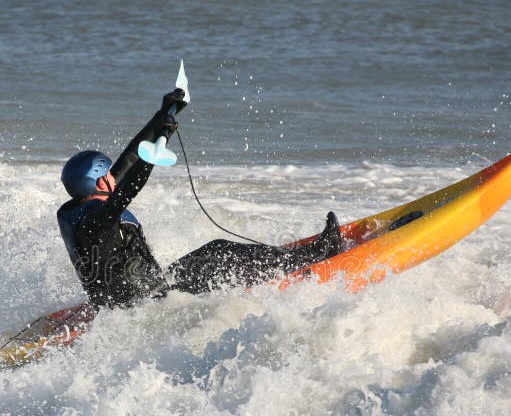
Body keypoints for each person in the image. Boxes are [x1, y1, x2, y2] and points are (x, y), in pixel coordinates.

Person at [57, 89, 342, 309]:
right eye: (107, 174)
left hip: (130, 299)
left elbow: (128, 160)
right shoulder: (95, 220)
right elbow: (131, 185)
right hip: (148, 303)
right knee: (219, 252)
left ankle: (281, 260)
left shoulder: (79, 210)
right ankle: (314, 257)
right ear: (98, 182)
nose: (112, 176)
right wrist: (160, 146)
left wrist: (162, 117)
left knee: (205, 257)